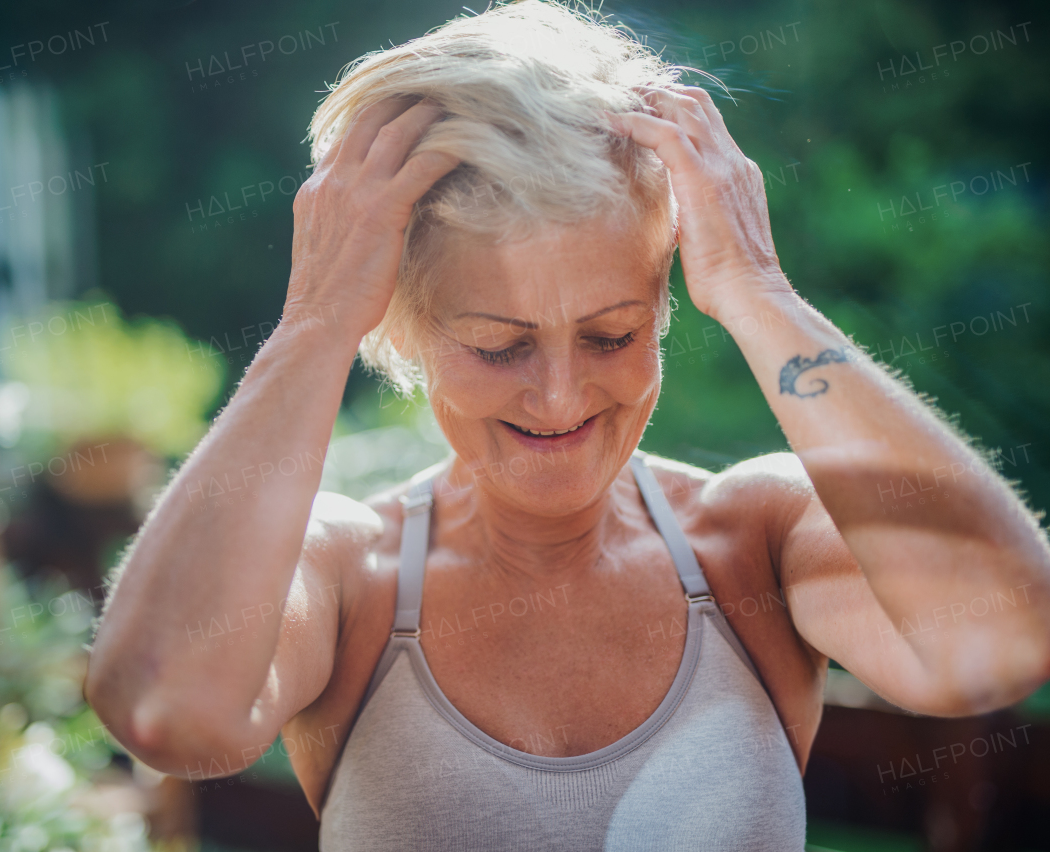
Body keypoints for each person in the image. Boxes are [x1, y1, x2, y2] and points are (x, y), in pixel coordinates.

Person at [86, 2, 1050, 848]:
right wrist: (313, 323)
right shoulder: (348, 575)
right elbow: (169, 708)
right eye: (499, 346)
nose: (559, 398)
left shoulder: (754, 541)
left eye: (610, 333)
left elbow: (1003, 639)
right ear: (404, 329)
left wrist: (760, 290)